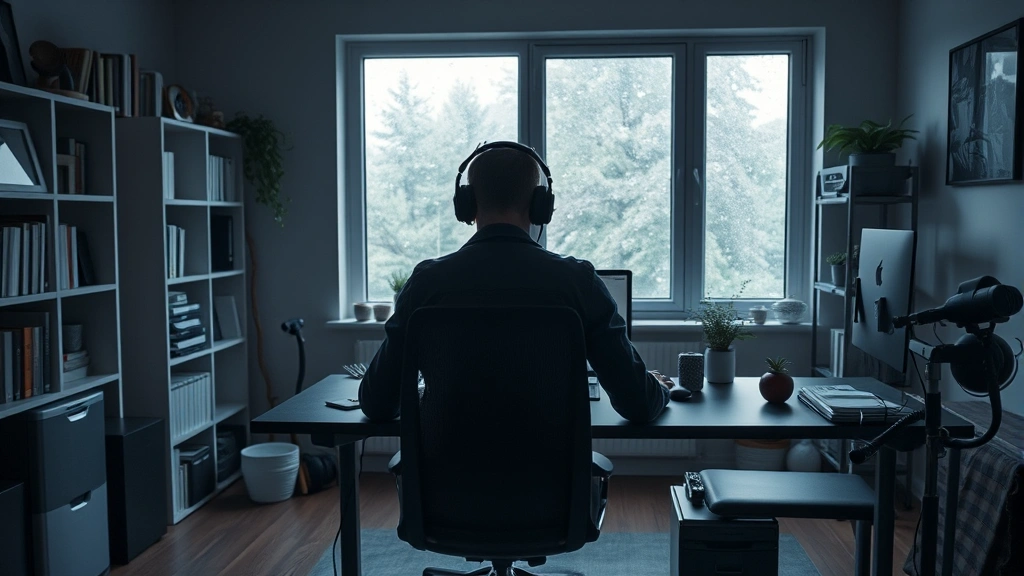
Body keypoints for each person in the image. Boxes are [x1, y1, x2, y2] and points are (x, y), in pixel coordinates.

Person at [358, 142, 672, 423]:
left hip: (443, 472)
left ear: (467, 203)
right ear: (540, 205)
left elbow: (376, 403)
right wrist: (658, 388)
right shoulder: (578, 282)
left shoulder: (426, 283)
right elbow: (639, 404)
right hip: (552, 472)